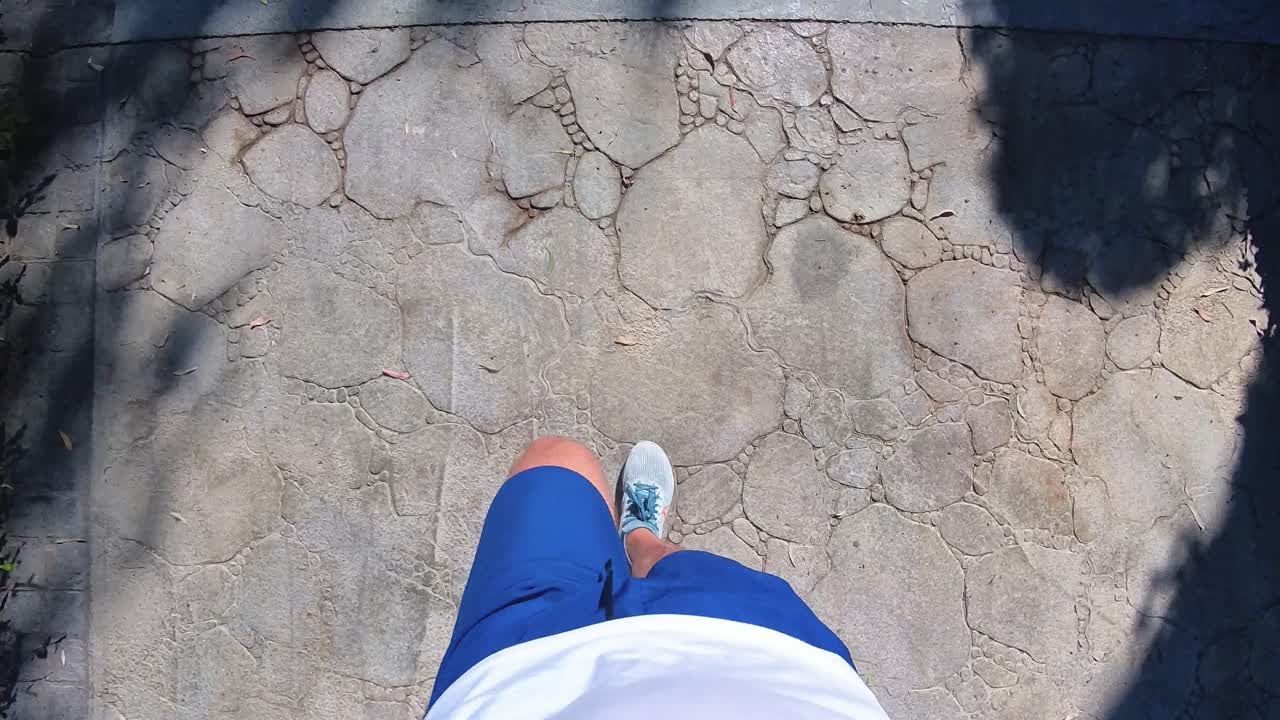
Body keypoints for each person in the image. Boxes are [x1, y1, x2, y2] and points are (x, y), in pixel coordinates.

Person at [425, 436, 889, 719]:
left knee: (556, 458)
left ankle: (627, 548)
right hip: (770, 657)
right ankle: (640, 536)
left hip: (522, 675)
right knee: (672, 563)